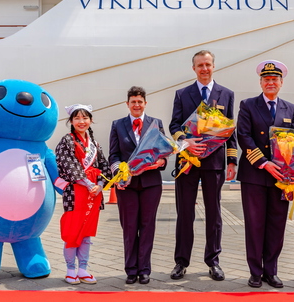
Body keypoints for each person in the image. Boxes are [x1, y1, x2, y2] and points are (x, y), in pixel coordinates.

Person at [169, 50, 238, 281]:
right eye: (200, 65)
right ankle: (181, 261)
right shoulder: (182, 94)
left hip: (215, 161)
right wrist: (184, 141)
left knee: (214, 213)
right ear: (194, 69)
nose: (204, 69)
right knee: (185, 213)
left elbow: (230, 130)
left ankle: (213, 261)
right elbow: (174, 125)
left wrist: (232, 159)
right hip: (188, 161)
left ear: (214, 66)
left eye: (208, 64)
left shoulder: (226, 94)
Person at [236, 60, 294, 288]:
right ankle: (255, 272)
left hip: (281, 178)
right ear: (261, 82)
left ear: (281, 83)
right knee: (255, 224)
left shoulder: (290, 109)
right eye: (267, 79)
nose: (271, 82)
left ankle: (271, 271)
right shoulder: (247, 105)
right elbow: (243, 136)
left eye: (275, 79)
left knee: (276, 224)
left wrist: (292, 170)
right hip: (255, 175)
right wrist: (264, 163)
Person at [109, 86, 167, 285]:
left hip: (151, 184)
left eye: (139, 101)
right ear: (127, 104)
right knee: (129, 227)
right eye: (133, 101)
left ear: (145, 103)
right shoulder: (118, 125)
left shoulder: (156, 123)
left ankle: (144, 270)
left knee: (147, 226)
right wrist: (119, 174)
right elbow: (113, 156)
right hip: (127, 186)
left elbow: (163, 151)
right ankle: (131, 270)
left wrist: (162, 162)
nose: (136, 105)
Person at [55, 104, 111, 285]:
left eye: (85, 118)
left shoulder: (95, 144)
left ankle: (83, 269)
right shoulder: (67, 141)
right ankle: (70, 269)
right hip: (75, 193)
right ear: (71, 121)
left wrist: (101, 185)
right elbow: (68, 165)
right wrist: (88, 184)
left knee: (87, 233)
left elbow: (104, 166)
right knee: (73, 231)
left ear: (91, 120)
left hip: (93, 195)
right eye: (77, 118)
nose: (81, 122)